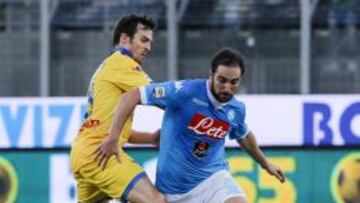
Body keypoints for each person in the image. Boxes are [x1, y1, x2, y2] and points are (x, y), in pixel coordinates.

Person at [95, 47, 286, 203]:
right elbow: (131, 96)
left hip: (213, 180)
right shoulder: (184, 92)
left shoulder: (236, 109)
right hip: (172, 191)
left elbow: (243, 135)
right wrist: (113, 137)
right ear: (210, 75)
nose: (227, 88)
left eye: (234, 82)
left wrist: (265, 163)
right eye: (222, 80)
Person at [70, 14, 167, 203]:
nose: (148, 47)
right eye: (143, 40)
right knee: (156, 201)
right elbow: (161, 96)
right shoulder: (123, 64)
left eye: (150, 42)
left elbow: (116, 128)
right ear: (125, 39)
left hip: (84, 153)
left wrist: (151, 138)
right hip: (101, 153)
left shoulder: (109, 65)